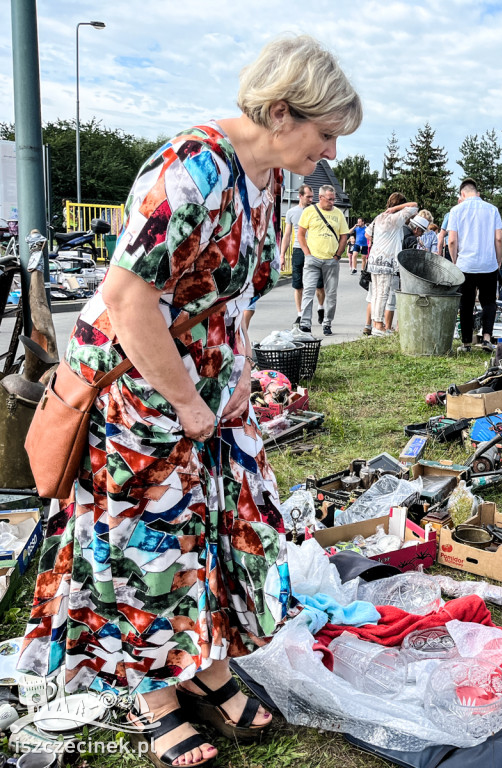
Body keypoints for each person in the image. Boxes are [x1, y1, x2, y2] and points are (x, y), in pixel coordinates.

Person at [18, 35, 361, 768]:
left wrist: (235, 371)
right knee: (149, 548)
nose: (329, 152)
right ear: (278, 111)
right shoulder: (190, 168)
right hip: (139, 390)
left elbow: (230, 293)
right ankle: (155, 700)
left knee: (218, 531)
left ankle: (204, 666)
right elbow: (126, 297)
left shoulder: (270, 179)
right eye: (324, 133)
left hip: (205, 385)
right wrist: (189, 403)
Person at [447, 178, 502, 353]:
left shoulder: (456, 210)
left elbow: (451, 241)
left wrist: (455, 261)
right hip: (488, 263)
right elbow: (499, 238)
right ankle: (487, 338)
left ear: (462, 194)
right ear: (476, 192)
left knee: (466, 303)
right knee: (489, 302)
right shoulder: (492, 209)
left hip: (465, 264)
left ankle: (466, 343)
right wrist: (498, 260)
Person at [297, 185, 348, 336]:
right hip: (313, 259)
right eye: (330, 199)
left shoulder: (338, 214)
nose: (332, 202)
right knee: (308, 291)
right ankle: (305, 324)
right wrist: (307, 253)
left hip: (331, 260)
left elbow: (344, 235)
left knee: (331, 294)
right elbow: (300, 234)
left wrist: (338, 255)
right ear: (320, 198)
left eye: (334, 199)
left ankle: (327, 323)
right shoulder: (309, 212)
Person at [367, 193, 418, 336]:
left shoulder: (379, 217)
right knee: (382, 294)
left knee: (376, 293)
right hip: (386, 260)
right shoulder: (396, 218)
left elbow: (367, 233)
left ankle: (376, 322)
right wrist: (399, 208)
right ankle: (378, 325)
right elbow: (414, 206)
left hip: (374, 259)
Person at [281, 185, 324, 329]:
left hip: (315, 251)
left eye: (313, 197)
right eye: (308, 197)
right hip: (299, 250)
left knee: (319, 285)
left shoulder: (317, 211)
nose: (311, 199)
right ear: (300, 196)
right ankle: (300, 314)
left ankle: (321, 307)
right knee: (298, 285)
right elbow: (287, 235)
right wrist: (282, 255)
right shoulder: (291, 212)